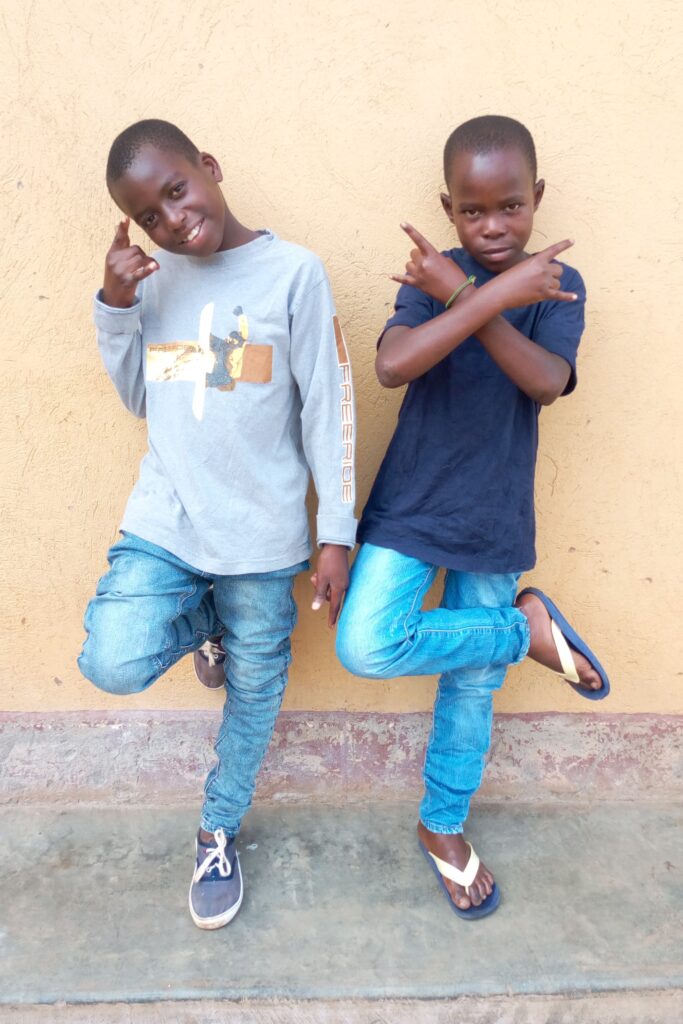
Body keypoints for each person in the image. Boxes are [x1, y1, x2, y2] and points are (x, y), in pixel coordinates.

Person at [78, 119, 356, 930]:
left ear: (209, 167)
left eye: (176, 190)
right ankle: (208, 627)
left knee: (258, 686)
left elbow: (328, 411)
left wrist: (333, 531)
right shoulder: (155, 282)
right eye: (151, 215)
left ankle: (217, 828)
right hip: (168, 520)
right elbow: (142, 397)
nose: (172, 220)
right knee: (113, 659)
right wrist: (117, 306)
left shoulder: (293, 274)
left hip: (264, 536)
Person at [336, 115, 609, 920]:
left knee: (471, 688)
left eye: (511, 207)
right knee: (365, 644)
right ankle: (523, 630)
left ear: (538, 200)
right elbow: (393, 364)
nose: (493, 226)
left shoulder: (558, 283)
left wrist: (473, 300)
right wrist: (466, 290)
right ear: (448, 208)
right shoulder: (431, 274)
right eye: (473, 211)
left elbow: (545, 382)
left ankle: (442, 825)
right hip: (410, 504)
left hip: (492, 511)